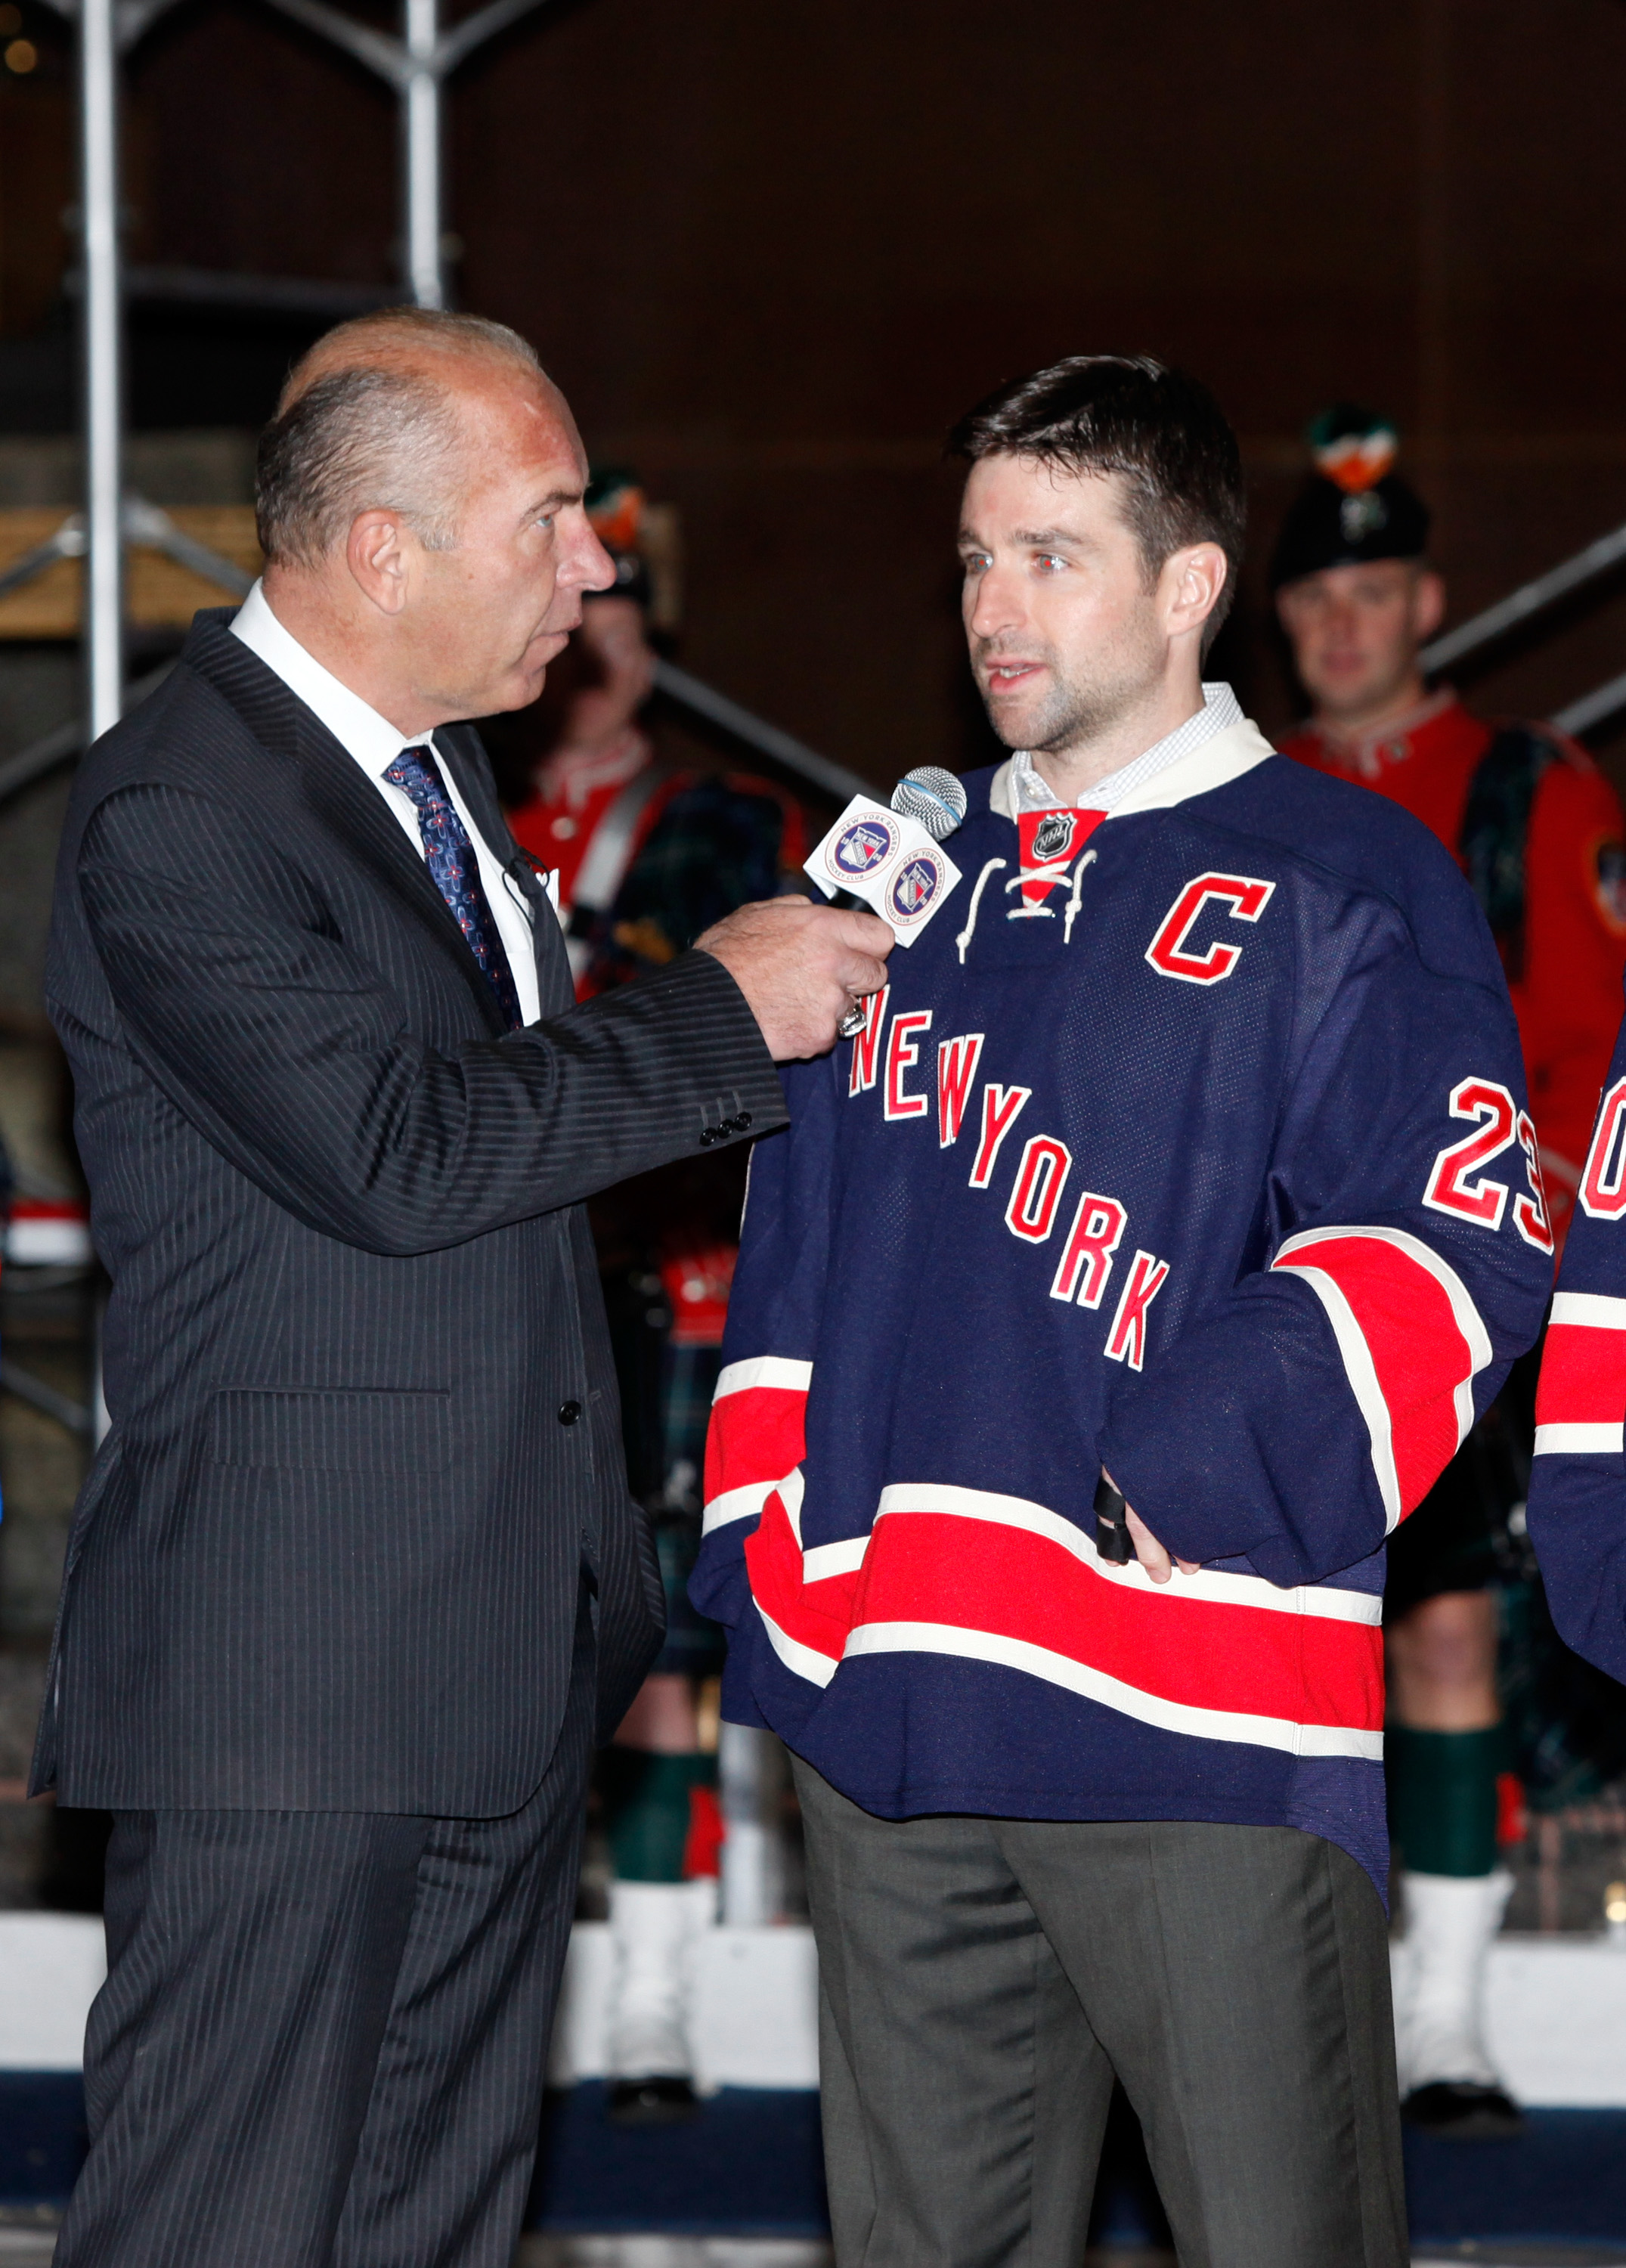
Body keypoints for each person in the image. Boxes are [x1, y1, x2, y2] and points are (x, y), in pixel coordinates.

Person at [36, 304, 890, 2268]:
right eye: (553, 518)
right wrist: (715, 1016)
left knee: (431, 2231)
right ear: (382, 552)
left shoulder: (430, 787)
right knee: (219, 2230)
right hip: (291, 1693)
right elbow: (400, 1153)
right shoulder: (184, 810)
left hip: (487, 1664)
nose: (597, 569)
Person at [691, 355, 1554, 2268]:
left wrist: (1187, 1467)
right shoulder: (897, 893)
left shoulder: (1349, 877)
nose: (993, 606)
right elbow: (796, 1243)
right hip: (890, 1725)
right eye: (978, 558)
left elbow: (1467, 1229)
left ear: (1184, 589)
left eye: (1052, 556)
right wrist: (773, 1553)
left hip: (1196, 1716)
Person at [1274, 406, 1626, 2133]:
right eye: (1314, 599)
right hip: (1260, 1294)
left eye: (1377, 590)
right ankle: (1284, 2012)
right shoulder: (1231, 797)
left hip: (1466, 1279)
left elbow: (1579, 1040)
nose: (1343, 626)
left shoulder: (1529, 790)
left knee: (1446, 1635)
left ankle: (1446, 2022)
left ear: (1427, 603)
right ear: (1274, 620)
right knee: (1261, 1647)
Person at [509, 476, 810, 2120]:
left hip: (679, 1274)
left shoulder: (732, 827)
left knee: (666, 1633)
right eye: (579, 606)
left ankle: (648, 1996)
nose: (598, 641)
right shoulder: (457, 814)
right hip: (515, 1271)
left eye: (628, 613)